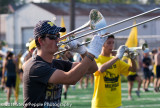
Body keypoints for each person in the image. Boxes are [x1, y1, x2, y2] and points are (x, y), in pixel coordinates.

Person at [22, 20, 107, 108]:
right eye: (52, 37)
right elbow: (71, 79)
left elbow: (92, 68)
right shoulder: (36, 67)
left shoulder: (57, 63)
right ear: (40, 41)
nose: (58, 39)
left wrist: (82, 51)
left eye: (58, 36)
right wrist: (91, 53)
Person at [91, 34, 137, 108]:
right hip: (101, 103)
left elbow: (133, 69)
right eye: (109, 43)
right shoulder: (97, 59)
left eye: (113, 43)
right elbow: (101, 69)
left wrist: (132, 59)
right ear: (102, 44)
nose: (111, 45)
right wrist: (117, 57)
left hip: (116, 103)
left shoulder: (116, 60)